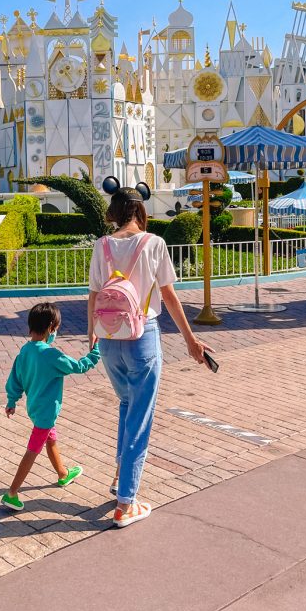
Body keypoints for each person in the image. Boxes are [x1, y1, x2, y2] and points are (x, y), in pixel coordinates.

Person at [88, 181, 213, 528]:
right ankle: (126, 502)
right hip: (143, 335)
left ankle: (118, 477)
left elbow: (94, 294)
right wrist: (191, 341)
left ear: (114, 211)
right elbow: (169, 297)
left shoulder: (102, 245)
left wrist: (92, 335)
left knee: (128, 406)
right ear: (141, 210)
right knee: (140, 418)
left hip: (109, 338)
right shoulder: (153, 243)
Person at [2, 302, 100, 512]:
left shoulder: (25, 351)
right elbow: (80, 367)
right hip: (46, 412)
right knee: (32, 450)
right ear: (51, 328)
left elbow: (15, 380)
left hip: (35, 408)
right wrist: (95, 352)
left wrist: (12, 401)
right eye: (56, 327)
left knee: (50, 439)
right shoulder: (52, 356)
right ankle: (11, 493)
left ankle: (63, 474)